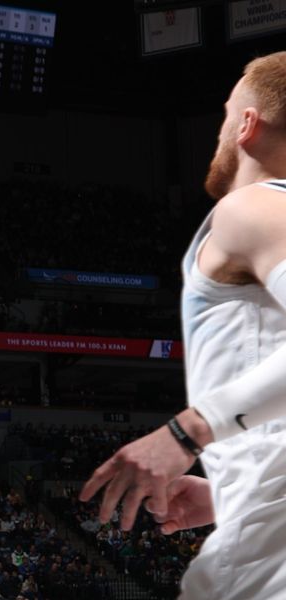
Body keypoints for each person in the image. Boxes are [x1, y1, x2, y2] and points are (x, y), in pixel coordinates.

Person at [79, 51, 286, 600]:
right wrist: (234, 491)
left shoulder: (253, 207)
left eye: (224, 114)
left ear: (245, 124)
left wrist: (186, 432)